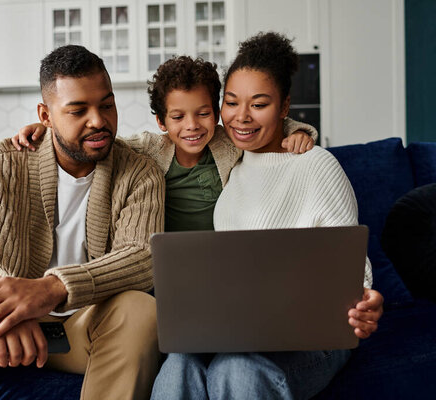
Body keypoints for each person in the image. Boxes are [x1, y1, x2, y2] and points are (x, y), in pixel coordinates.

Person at [0, 45, 165, 400]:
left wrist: (49, 291)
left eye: (107, 105)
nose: (98, 120)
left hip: (83, 333)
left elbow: (143, 257)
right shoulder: (2, 165)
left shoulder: (140, 172)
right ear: (45, 115)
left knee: (141, 310)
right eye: (78, 110)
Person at [150, 32, 384, 400]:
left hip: (311, 337)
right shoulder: (231, 165)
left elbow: (354, 269)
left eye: (259, 104)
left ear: (284, 106)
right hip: (237, 332)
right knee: (178, 362)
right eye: (231, 103)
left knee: (236, 369)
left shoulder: (317, 165)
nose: (241, 117)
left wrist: (365, 300)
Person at [12, 56, 317, 233]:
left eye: (204, 113)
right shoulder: (149, 149)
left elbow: (262, 129)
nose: (192, 125)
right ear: (161, 122)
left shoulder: (228, 143)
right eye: (178, 117)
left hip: (222, 256)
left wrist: (300, 131)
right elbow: (98, 141)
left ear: (217, 113)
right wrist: (47, 127)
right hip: (167, 261)